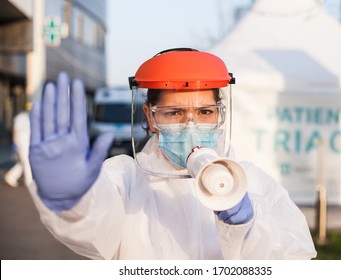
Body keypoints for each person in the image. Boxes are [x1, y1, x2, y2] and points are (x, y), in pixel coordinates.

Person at [27, 48, 317, 259]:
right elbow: (94, 231)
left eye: (205, 112)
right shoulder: (126, 180)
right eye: (174, 112)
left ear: (221, 114)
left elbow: (293, 261)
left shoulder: (255, 183)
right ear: (151, 118)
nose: (191, 126)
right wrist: (75, 201)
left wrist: (249, 227)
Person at [4, 109, 32, 188]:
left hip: (24, 142)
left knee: (22, 162)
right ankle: (29, 181)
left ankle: (11, 176)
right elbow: (16, 131)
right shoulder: (21, 118)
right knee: (26, 161)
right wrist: (15, 143)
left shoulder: (26, 118)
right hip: (22, 143)